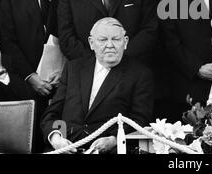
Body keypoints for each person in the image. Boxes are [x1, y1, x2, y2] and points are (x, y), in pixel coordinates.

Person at [0, 0, 71, 151]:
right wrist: (31, 77)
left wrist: (66, 72)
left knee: (63, 143)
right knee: (33, 145)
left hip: (66, 86)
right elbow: (8, 42)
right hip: (27, 86)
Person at [41, 17, 154, 153]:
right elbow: (52, 114)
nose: (110, 45)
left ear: (125, 42)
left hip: (108, 150)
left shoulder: (140, 74)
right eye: (103, 40)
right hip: (65, 148)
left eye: (116, 39)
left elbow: (139, 120)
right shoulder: (73, 68)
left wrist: (114, 140)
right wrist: (56, 139)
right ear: (91, 43)